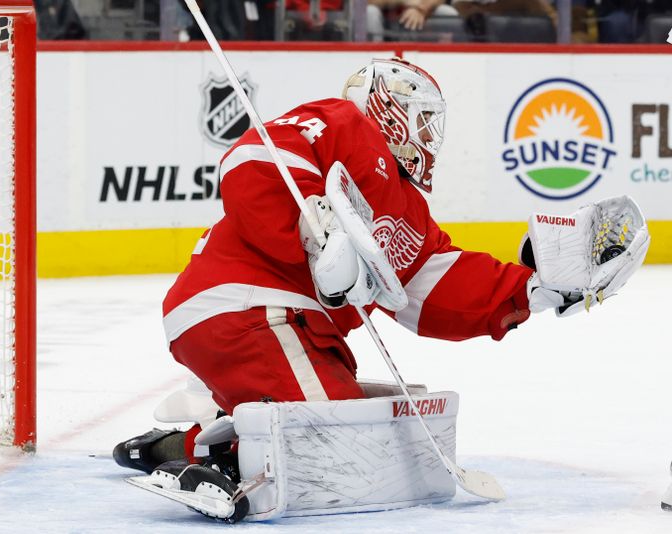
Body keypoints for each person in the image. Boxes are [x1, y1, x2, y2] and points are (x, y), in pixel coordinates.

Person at [112, 57, 644, 521]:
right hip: (244, 307)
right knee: (338, 445)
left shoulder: (408, 209)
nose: (431, 135)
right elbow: (249, 162)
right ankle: (222, 463)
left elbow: (434, 285)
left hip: (290, 328)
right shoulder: (341, 123)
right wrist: (309, 236)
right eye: (425, 120)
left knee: (369, 429)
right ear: (391, 107)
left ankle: (185, 442)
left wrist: (532, 291)